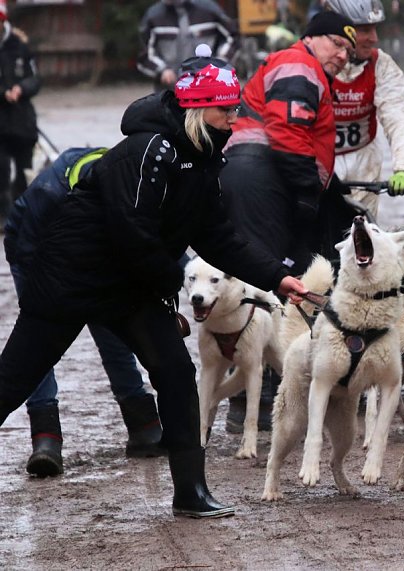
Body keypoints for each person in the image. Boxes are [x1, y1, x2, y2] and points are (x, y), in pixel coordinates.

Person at [0, 45, 307, 519]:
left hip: (129, 282)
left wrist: (278, 278)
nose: (235, 118)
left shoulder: (205, 157)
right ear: (200, 109)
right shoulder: (148, 150)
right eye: (227, 109)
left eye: (236, 108)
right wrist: (172, 284)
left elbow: (219, 237)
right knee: (14, 378)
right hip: (69, 277)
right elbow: (132, 229)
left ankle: (191, 492)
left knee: (177, 375)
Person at [219, 11, 356, 430]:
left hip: (261, 174)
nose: (343, 55)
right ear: (312, 38)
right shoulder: (299, 65)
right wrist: (305, 191)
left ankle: (267, 392)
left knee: (277, 276)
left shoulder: (303, 67)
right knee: (265, 279)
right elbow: (288, 129)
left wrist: (320, 187)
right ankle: (256, 398)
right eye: (337, 43)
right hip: (262, 176)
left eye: (349, 51)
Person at [5, 148, 166, 478]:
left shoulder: (130, 186)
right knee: (37, 346)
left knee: (111, 326)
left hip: (95, 253)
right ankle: (46, 438)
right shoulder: (49, 196)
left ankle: (143, 425)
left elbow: (156, 247)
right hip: (33, 251)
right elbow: (26, 254)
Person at [325, 0, 404, 219]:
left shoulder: (381, 64)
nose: (374, 38)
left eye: (375, 29)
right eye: (365, 30)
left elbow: (399, 116)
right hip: (320, 164)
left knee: (364, 232)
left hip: (364, 164)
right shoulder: (311, 63)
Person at [0, 0, 40, 229]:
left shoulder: (20, 45)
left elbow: (35, 78)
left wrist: (21, 88)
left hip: (22, 118)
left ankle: (21, 213)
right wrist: (3, 93)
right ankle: (3, 213)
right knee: (1, 168)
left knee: (25, 169)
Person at [137, 0, 238, 91]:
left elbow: (232, 38)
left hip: (208, 86)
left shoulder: (209, 10)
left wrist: (219, 63)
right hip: (169, 91)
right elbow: (144, 52)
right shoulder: (153, 16)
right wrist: (162, 70)